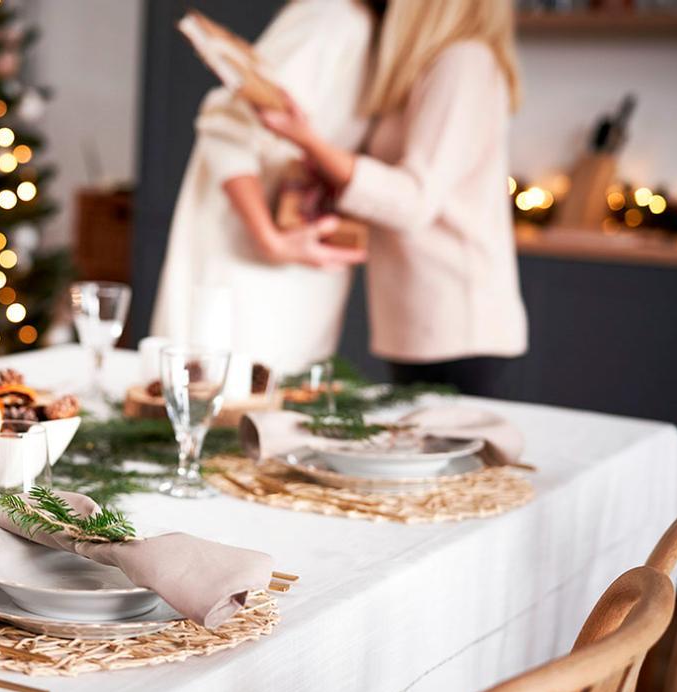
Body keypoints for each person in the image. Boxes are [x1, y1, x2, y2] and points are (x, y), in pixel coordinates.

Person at [257, 0, 527, 396]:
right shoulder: (434, 66)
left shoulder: (464, 62)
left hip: (457, 323)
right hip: (420, 322)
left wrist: (308, 141)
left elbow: (413, 202)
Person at [150, 0, 376, 374]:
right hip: (250, 278)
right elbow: (228, 126)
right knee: (221, 405)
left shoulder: (360, 28)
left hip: (295, 277)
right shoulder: (332, 19)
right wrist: (269, 239)